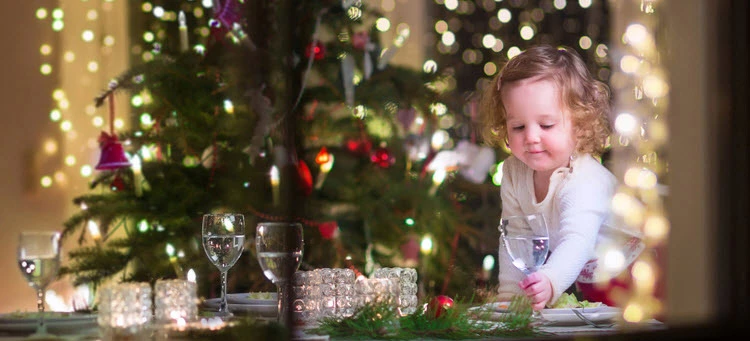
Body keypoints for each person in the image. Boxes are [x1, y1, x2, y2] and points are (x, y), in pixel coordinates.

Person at [479, 44, 619, 310]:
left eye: (547, 125)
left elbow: (577, 240)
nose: (531, 137)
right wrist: (509, 296)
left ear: (580, 123)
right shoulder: (513, 171)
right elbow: (516, 235)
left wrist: (551, 280)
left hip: (629, 268)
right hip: (585, 274)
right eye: (518, 126)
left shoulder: (584, 179)